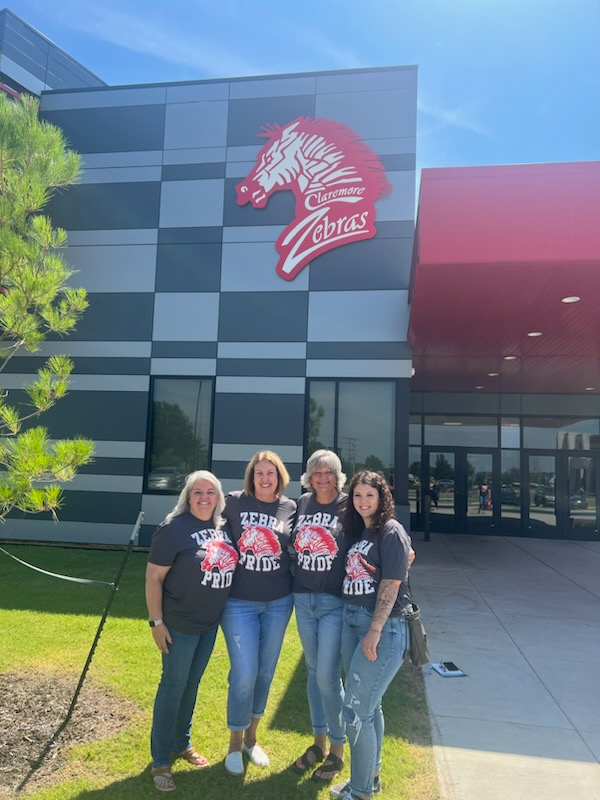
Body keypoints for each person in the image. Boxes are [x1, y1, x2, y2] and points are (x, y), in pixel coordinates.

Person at [146, 470, 238, 793]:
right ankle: (160, 759)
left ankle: (180, 742)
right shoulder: (173, 529)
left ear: (218, 498)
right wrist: (156, 623)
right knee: (173, 685)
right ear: (188, 496)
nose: (204, 498)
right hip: (178, 625)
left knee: (191, 684)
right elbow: (153, 579)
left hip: (207, 625)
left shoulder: (221, 528)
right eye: (198, 492)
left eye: (211, 492)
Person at [331, 470, 412, 800]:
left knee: (354, 711)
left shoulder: (391, 531)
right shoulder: (359, 531)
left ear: (382, 498)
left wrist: (374, 630)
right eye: (357, 495)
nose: (363, 501)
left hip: (381, 627)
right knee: (370, 707)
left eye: (370, 495)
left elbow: (392, 584)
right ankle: (370, 777)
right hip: (351, 619)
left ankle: (361, 791)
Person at [220, 450, 296, 776]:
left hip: (279, 602)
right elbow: (204, 522)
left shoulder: (291, 507)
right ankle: (234, 744)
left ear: (280, 476)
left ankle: (252, 738)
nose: (265, 478)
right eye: (259, 473)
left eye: (271, 473)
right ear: (251, 476)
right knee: (244, 673)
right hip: (239, 602)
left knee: (265, 672)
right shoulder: (234, 502)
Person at [291, 449, 350, 783]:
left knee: (328, 675)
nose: (323, 479)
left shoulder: (348, 505)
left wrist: (402, 548)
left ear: (337, 476)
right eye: (317, 473)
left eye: (329, 473)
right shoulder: (302, 504)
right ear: (309, 477)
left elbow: (376, 529)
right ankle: (319, 742)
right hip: (303, 598)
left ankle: (338, 750)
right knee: (314, 673)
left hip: (333, 601)